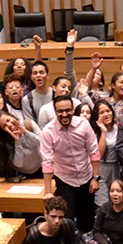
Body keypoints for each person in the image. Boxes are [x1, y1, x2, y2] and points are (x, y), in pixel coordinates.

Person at [40, 95, 101, 232]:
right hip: (65, 180)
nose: (65, 114)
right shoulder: (48, 131)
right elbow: (47, 162)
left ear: (73, 109)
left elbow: (94, 151)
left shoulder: (83, 124)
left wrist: (96, 178)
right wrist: (48, 192)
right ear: (55, 112)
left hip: (86, 178)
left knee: (87, 220)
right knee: (66, 221)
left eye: (68, 110)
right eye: (60, 111)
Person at [90, 100, 119, 205]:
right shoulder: (93, 131)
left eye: (108, 111)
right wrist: (103, 132)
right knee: (102, 203)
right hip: (101, 169)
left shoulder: (119, 128)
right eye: (101, 113)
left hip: (117, 168)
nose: (106, 114)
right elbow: (99, 155)